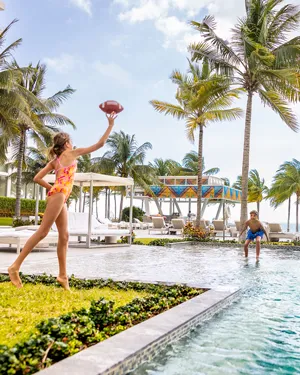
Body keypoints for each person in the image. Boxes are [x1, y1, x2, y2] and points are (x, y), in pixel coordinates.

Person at [8, 112, 117, 290]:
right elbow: (100, 144)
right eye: (70, 141)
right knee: (42, 232)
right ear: (66, 143)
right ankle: (14, 267)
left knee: (64, 237)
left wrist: (51, 188)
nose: (72, 144)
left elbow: (37, 178)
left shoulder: (55, 161)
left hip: (59, 195)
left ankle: (62, 276)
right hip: (59, 195)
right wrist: (110, 125)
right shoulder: (71, 153)